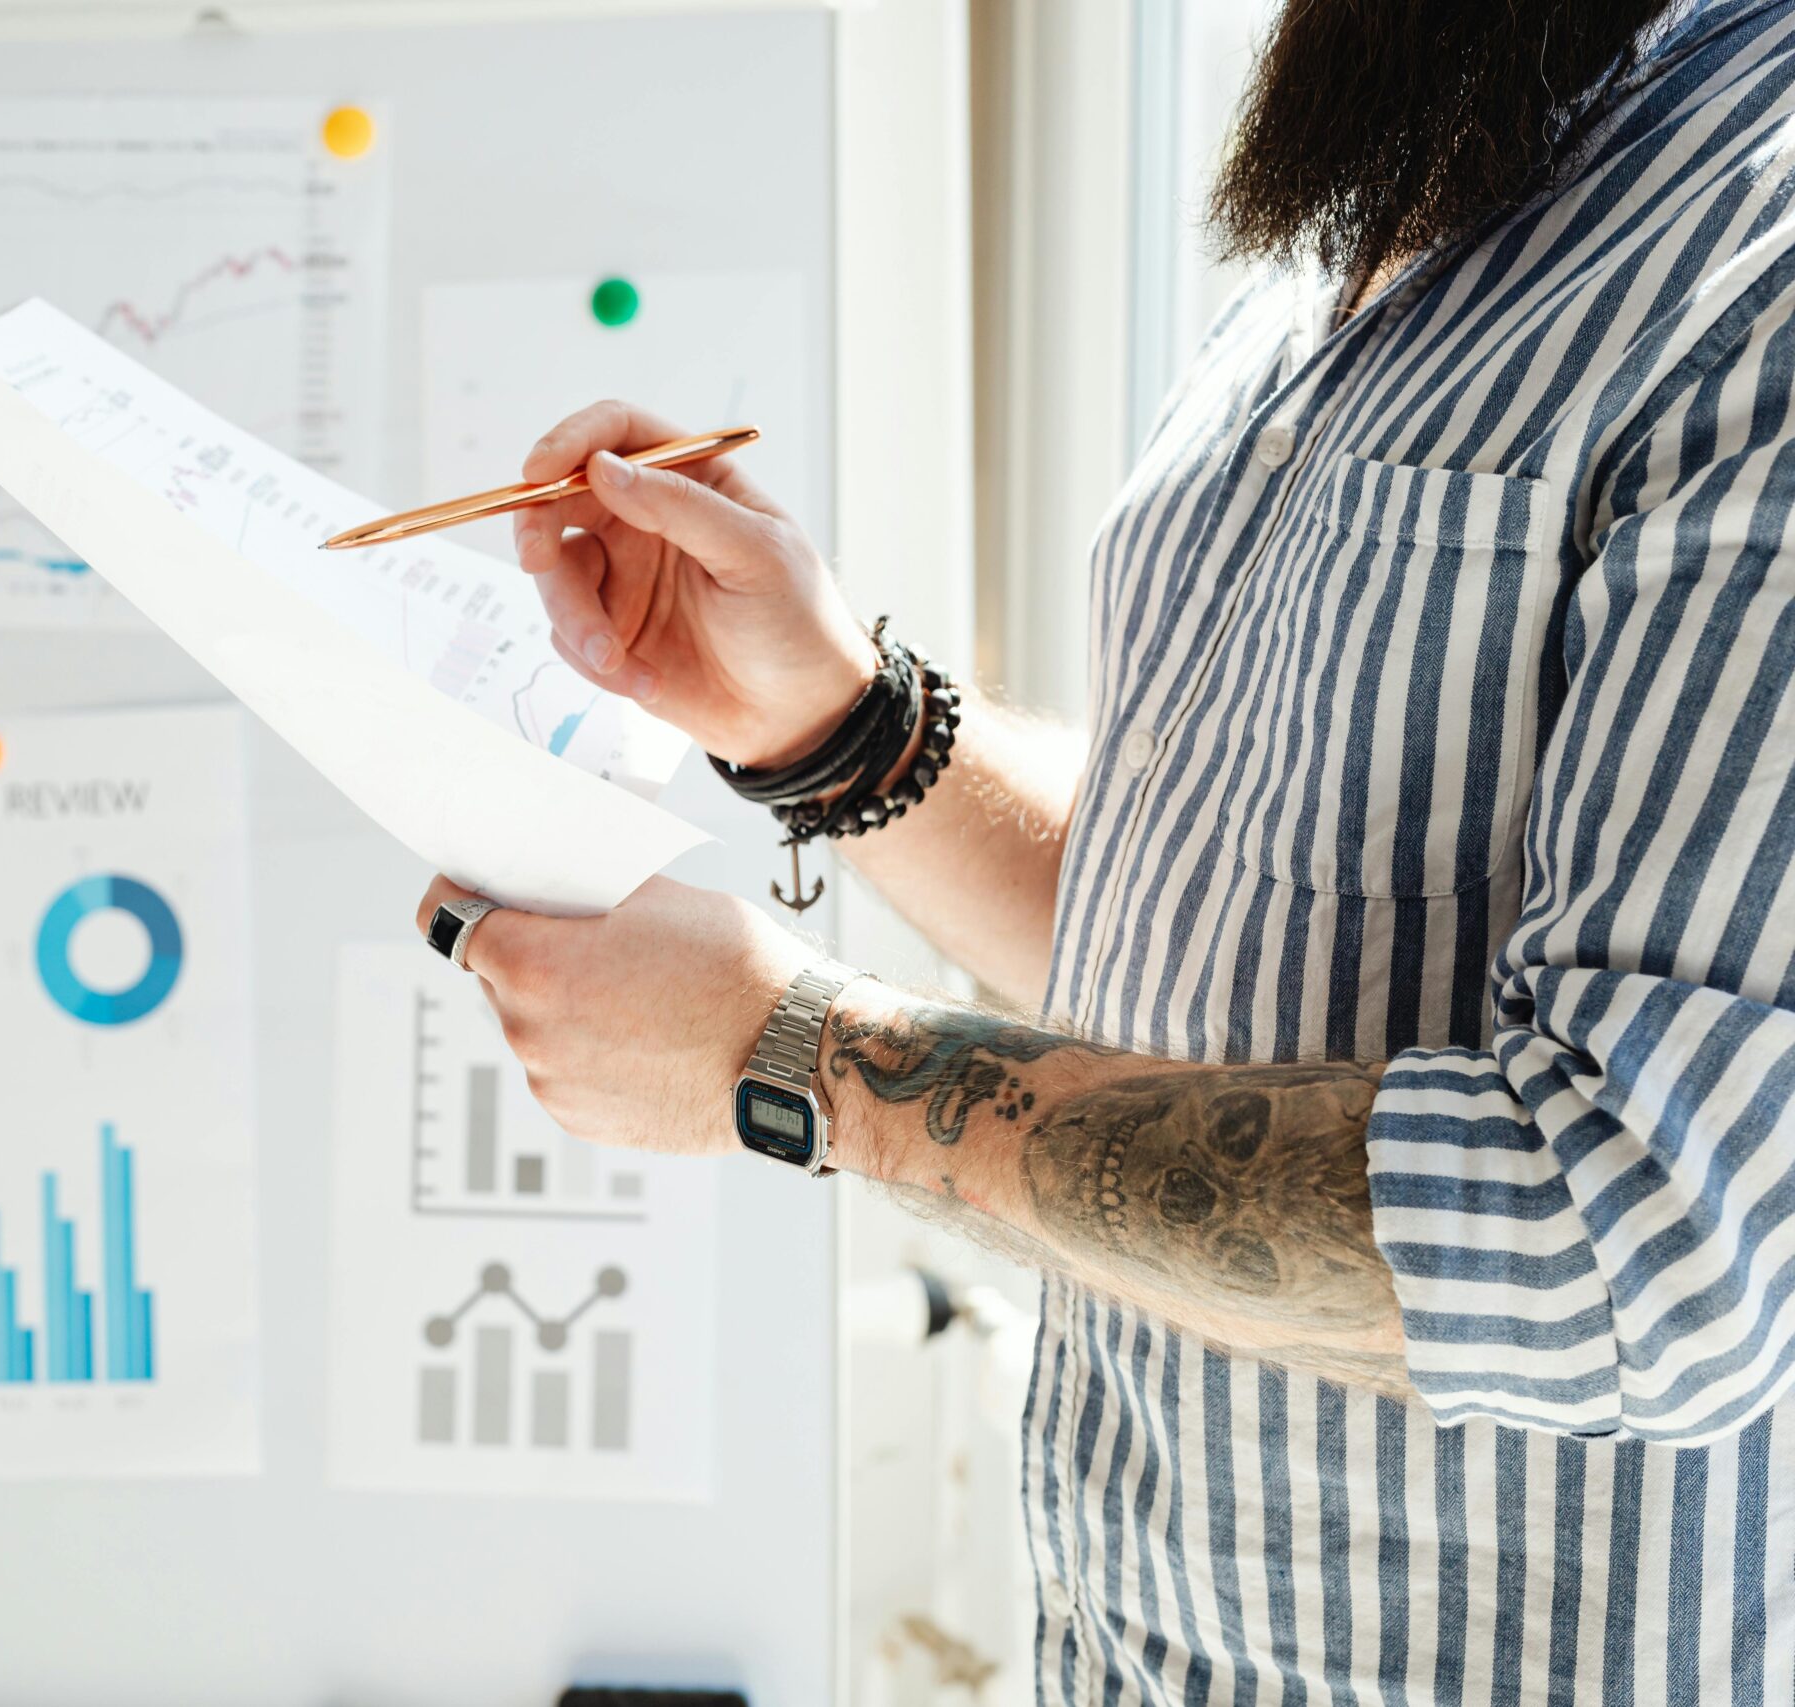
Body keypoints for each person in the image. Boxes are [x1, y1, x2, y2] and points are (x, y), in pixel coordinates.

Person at [415, 0, 1795, 1699]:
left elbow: (1644, 1240)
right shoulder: (1389, 167)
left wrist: (794, 1059)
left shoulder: (1761, 260)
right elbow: (1232, 939)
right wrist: (843, 729)